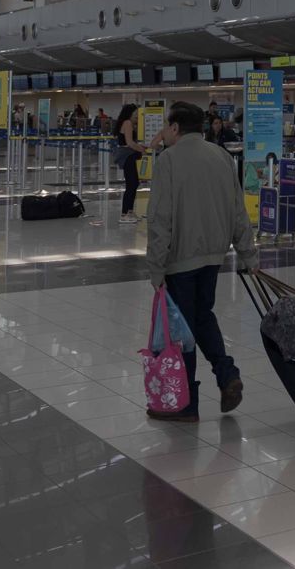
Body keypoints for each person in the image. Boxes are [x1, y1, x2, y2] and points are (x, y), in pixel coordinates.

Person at [144, 101, 259, 422]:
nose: (164, 132)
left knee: (182, 332)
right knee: (202, 316)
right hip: (213, 257)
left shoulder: (168, 160)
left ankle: (186, 404)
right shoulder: (221, 156)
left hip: (180, 259)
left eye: (166, 126)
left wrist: (156, 266)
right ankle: (226, 374)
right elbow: (238, 210)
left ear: (175, 128)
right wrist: (248, 254)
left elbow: (160, 218)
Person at [114, 104, 149, 225]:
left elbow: (130, 142)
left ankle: (129, 211)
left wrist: (140, 146)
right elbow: (129, 143)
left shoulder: (128, 123)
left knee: (133, 183)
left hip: (128, 155)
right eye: (135, 113)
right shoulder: (127, 123)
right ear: (130, 113)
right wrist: (141, 149)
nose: (137, 116)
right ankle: (124, 213)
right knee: (131, 184)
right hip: (127, 156)